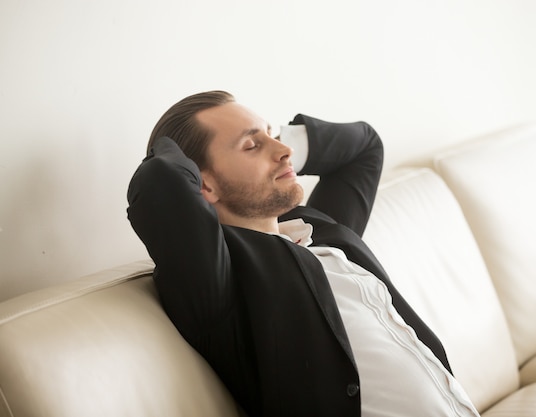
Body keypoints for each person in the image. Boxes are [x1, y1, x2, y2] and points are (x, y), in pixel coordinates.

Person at [127, 90, 479, 417]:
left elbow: (364, 147)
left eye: (273, 135)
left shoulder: (319, 230)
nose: (284, 150)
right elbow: (161, 181)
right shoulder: (222, 282)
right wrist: (170, 147)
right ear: (204, 184)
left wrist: (274, 146)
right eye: (251, 145)